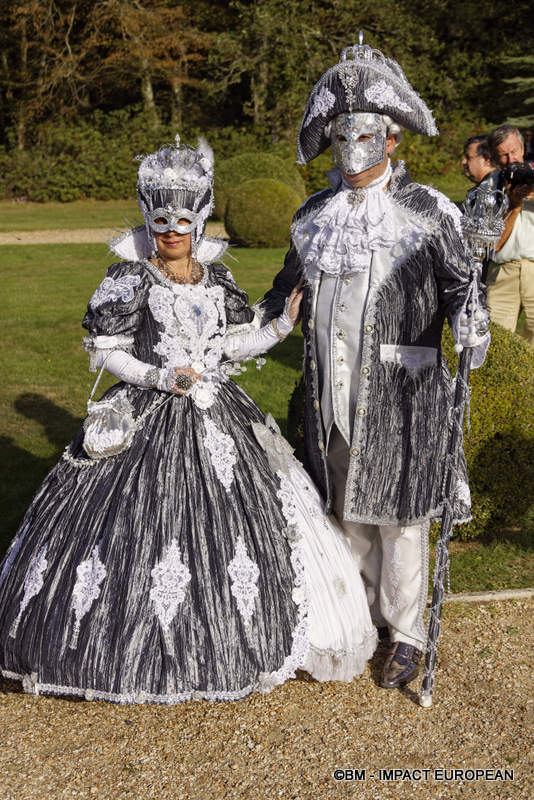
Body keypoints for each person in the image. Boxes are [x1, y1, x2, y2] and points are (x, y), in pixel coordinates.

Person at [0, 136, 378, 704]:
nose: (172, 230)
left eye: (183, 220)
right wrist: (159, 377)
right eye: (160, 220)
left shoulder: (216, 280)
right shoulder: (129, 279)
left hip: (218, 412)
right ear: (148, 223)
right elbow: (106, 349)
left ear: (200, 222)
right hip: (149, 413)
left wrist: (278, 327)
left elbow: (227, 345)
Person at [257, 39, 489, 690]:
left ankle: (408, 635)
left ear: (390, 140)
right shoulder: (311, 219)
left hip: (403, 392)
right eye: (340, 137)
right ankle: (359, 623)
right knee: (346, 515)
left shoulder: (430, 211)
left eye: (365, 135)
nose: (352, 149)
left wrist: (472, 325)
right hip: (327, 394)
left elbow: (459, 289)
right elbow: (283, 297)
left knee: (402, 519)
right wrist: (232, 325)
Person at [486, 124, 534, 344]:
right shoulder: (489, 187)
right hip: (503, 272)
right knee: (497, 339)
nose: (510, 159)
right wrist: (513, 205)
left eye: (514, 151)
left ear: (523, 148)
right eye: (503, 155)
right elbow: (492, 244)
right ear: (495, 159)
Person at [462, 135, 500, 203]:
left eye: (468, 157)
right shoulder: (491, 185)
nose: (463, 162)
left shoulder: (490, 190)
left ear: (486, 159)